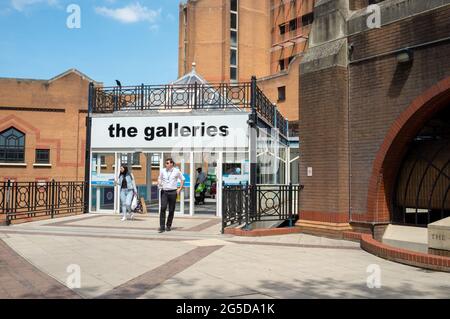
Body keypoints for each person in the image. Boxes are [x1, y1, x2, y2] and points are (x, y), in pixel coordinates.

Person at [158, 158, 185, 233]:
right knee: (163, 208)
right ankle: (162, 227)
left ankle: (168, 225)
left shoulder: (176, 171)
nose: (166, 164)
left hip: (173, 192)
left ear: (171, 164)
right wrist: (159, 182)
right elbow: (159, 178)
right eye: (166, 163)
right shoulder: (162, 170)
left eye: (167, 163)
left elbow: (183, 179)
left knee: (171, 209)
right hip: (164, 192)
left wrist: (179, 189)